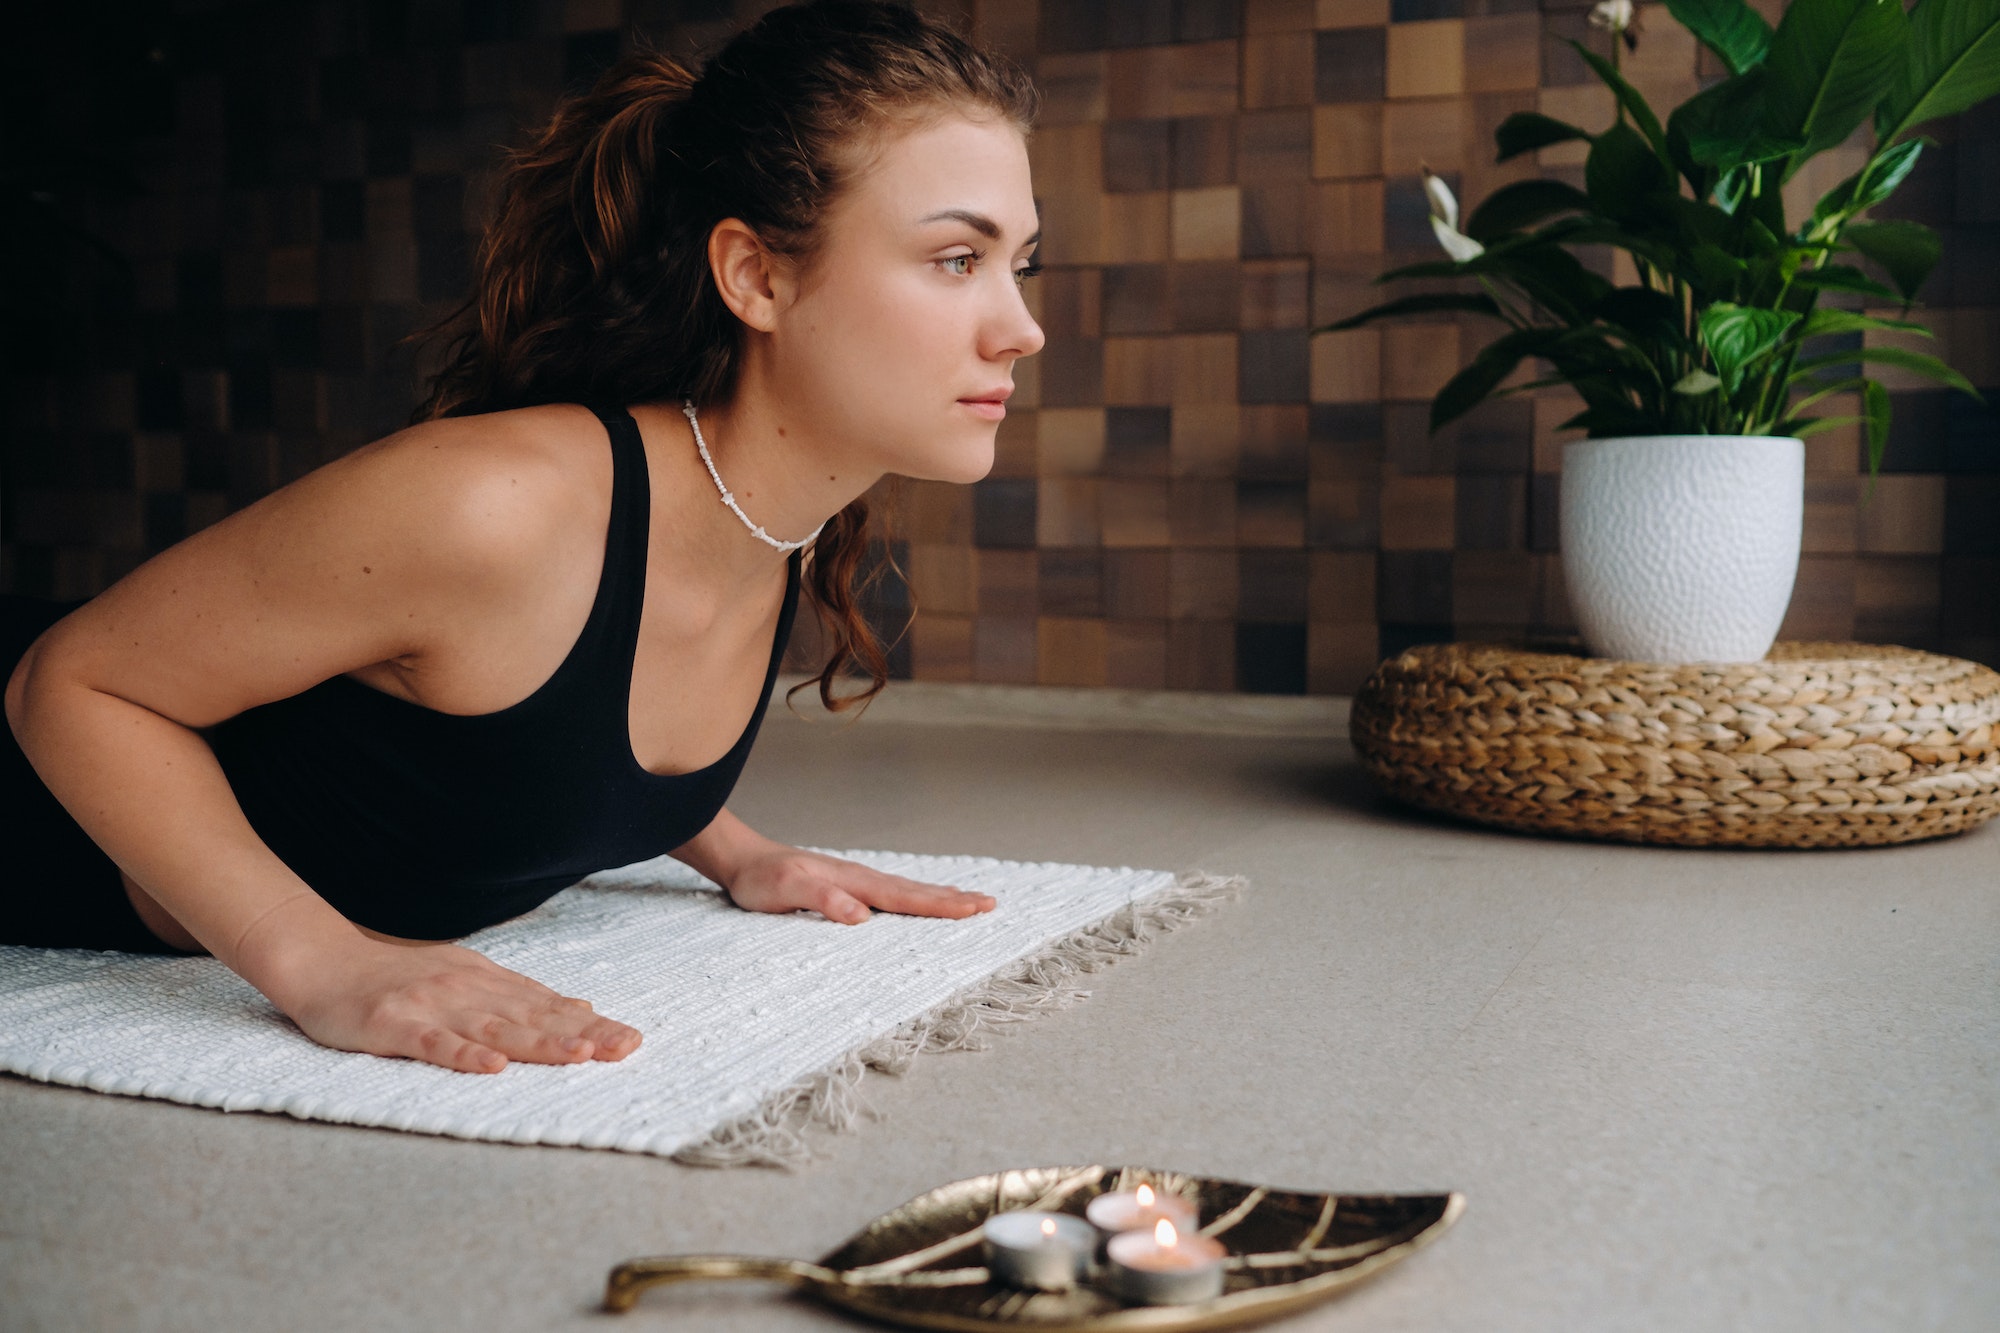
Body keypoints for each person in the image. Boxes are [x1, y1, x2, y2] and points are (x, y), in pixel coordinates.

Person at [2, 0, 1044, 1075]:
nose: (1022, 326)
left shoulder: (765, 512)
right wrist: (320, 963)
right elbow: (73, 684)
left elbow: (539, 731)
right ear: (756, 277)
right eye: (957, 259)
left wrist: (735, 850)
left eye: (1023, 263)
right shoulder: (493, 506)